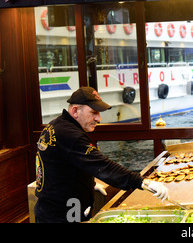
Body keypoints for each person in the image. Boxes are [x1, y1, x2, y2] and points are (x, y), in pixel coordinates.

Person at [35, 86, 168, 223]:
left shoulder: (55, 125)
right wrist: (141, 181)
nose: (98, 119)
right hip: (62, 214)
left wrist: (89, 183)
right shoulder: (71, 135)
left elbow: (62, 166)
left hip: (52, 208)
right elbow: (103, 166)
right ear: (75, 111)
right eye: (93, 112)